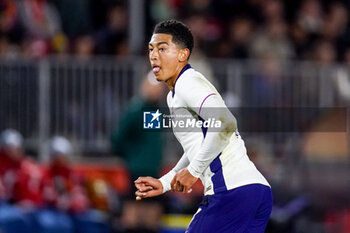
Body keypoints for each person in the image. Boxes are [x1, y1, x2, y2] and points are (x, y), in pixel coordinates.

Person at [134, 19, 273, 233]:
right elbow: (199, 146)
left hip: (231, 190)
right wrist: (165, 182)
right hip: (253, 190)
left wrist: (193, 171)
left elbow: (225, 124)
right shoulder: (175, 95)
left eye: (162, 49)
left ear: (183, 54)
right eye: (151, 49)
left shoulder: (188, 83)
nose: (154, 55)